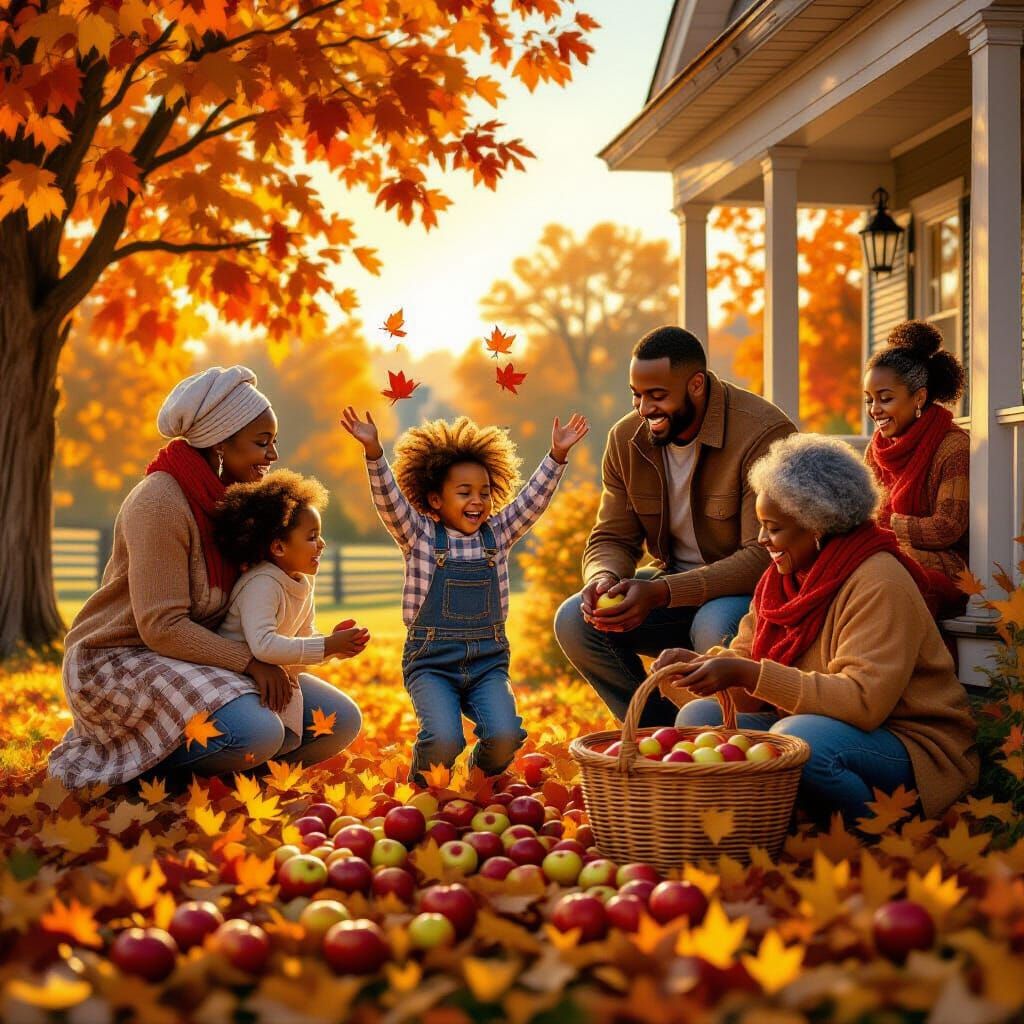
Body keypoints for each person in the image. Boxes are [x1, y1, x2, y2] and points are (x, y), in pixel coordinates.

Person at [48, 367, 361, 790]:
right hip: (121, 659)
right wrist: (251, 664)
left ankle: (232, 786)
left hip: (197, 656)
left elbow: (260, 596)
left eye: (273, 442)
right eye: (261, 442)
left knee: (338, 722)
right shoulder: (160, 501)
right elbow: (161, 627)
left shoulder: (238, 503)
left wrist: (315, 644)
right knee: (257, 732)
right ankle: (137, 777)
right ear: (219, 442)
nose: (272, 456)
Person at [655, 433, 978, 828]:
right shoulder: (781, 578)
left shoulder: (878, 580)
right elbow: (746, 668)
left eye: (772, 528)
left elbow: (863, 703)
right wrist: (704, 667)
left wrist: (750, 675)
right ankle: (761, 831)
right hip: (814, 721)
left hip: (908, 742)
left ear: (818, 527)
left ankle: (877, 838)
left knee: (802, 740)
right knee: (699, 716)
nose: (761, 540)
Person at [554, 325, 796, 727]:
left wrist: (663, 592)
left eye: (657, 395)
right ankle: (659, 735)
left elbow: (762, 556)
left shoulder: (763, 434)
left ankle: (728, 741)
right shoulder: (626, 440)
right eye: (637, 394)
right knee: (574, 620)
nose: (644, 408)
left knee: (714, 623)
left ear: (696, 385)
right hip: (667, 591)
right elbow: (612, 536)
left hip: (749, 597)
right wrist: (603, 578)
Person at [341, 407, 588, 785]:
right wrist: (374, 452)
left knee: (505, 736)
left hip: (487, 663)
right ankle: (423, 791)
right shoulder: (420, 536)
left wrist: (557, 456)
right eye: (464, 492)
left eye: (485, 493)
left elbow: (531, 502)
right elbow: (388, 502)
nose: (478, 501)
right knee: (444, 739)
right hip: (432, 663)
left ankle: (479, 783)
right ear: (436, 500)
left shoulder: (498, 534)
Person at [211, 468, 370, 759]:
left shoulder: (301, 581)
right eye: (312, 537)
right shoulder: (262, 584)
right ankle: (242, 769)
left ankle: (270, 775)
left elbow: (304, 638)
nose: (321, 544)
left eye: (319, 535)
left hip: (274, 677)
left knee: (342, 718)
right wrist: (326, 646)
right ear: (279, 546)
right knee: (265, 733)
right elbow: (264, 645)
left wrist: (333, 646)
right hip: (234, 678)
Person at [863, 320, 969, 616]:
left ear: (919, 397)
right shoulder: (877, 447)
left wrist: (886, 526)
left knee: (879, 573)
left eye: (886, 399)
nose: (874, 410)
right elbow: (862, 509)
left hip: (949, 565)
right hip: (889, 552)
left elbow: (946, 527)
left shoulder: (953, 447)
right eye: (870, 400)